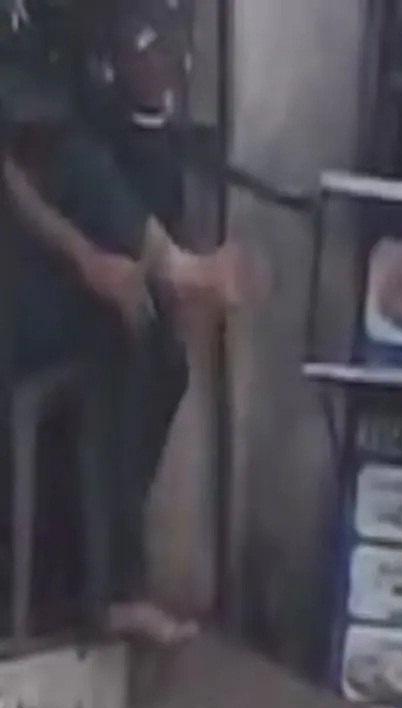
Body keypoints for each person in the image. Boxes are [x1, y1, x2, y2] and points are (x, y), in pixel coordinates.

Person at [1, 0, 242, 645]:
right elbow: (20, 169)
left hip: (38, 257)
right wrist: (88, 260)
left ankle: (105, 585)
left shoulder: (69, 30)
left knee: (154, 347)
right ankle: (174, 266)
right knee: (79, 160)